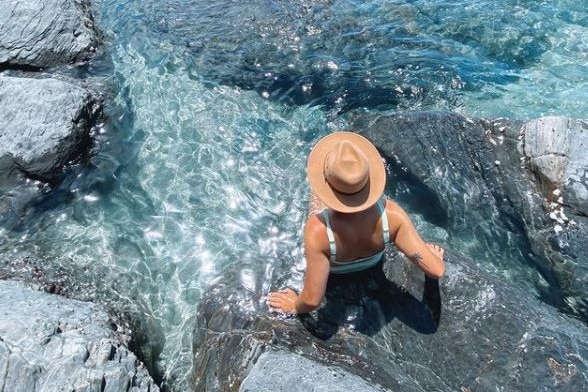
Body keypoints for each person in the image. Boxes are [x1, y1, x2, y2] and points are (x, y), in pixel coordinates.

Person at [267, 131, 445, 315]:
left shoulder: (317, 231)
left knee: (315, 197)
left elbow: (312, 300)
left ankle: (336, 185)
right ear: (370, 180)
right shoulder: (392, 215)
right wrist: (431, 256)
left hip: (336, 270)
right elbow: (436, 270)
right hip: (372, 263)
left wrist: (295, 305)